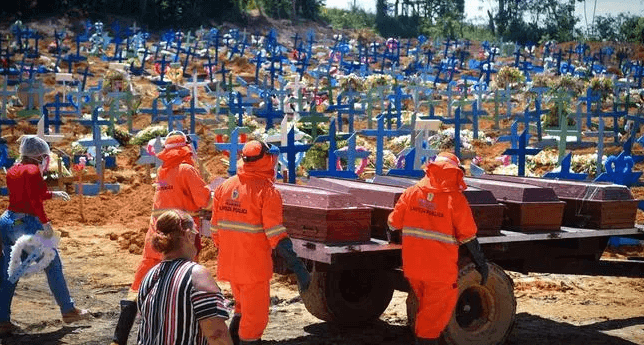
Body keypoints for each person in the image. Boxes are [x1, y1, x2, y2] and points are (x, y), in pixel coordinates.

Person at [111, 131, 212, 345]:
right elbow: (203, 200)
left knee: (139, 285)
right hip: (181, 238)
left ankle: (118, 338)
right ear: (186, 147)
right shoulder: (186, 169)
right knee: (183, 284)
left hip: (156, 235)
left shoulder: (163, 169)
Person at [211, 140, 310, 345]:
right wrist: (297, 266)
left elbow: (215, 230)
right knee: (254, 320)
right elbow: (275, 233)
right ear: (264, 160)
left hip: (230, 265)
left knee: (241, 309)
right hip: (253, 268)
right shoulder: (266, 191)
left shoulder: (225, 186)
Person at [387, 151, 489, 345]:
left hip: (414, 268)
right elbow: (468, 236)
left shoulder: (411, 192)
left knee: (426, 311)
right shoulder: (456, 200)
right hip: (440, 272)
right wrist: (481, 264)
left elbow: (393, 223)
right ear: (455, 172)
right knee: (433, 319)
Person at [0, 135, 89, 335]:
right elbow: (33, 200)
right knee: (52, 261)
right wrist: (45, 223)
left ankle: (2, 320)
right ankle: (68, 309)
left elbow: (27, 193)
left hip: (7, 221)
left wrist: (52, 194)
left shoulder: (14, 169)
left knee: (8, 274)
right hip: (25, 224)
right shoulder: (33, 170)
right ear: (39, 156)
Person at [137, 209, 232, 345]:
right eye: (195, 233)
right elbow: (217, 335)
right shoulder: (197, 275)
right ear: (188, 236)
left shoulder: (150, 276)